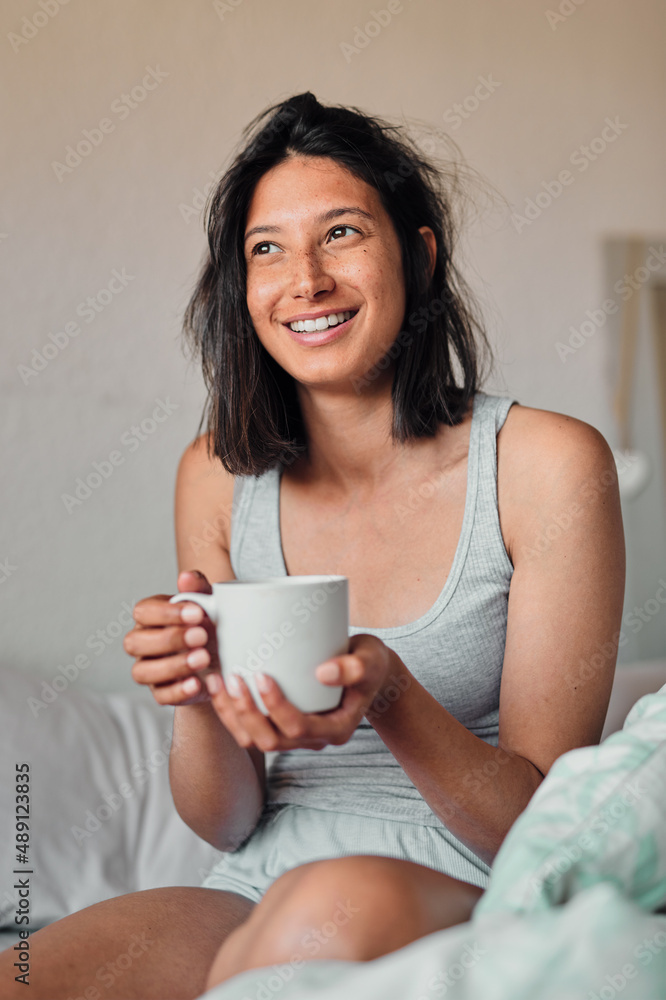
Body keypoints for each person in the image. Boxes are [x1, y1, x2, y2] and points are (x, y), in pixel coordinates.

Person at [0, 91, 625, 999]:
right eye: (267, 249)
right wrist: (197, 693)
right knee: (30, 972)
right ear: (240, 285)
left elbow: (545, 828)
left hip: (481, 884)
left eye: (341, 234)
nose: (306, 280)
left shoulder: (547, 466)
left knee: (320, 912)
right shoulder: (216, 472)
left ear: (417, 252)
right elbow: (223, 820)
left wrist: (389, 691)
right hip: (258, 884)